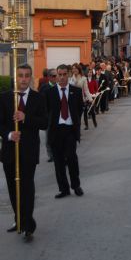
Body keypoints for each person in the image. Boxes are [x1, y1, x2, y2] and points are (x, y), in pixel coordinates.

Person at [0, 64, 48, 240]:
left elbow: (44, 123)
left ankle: (28, 224)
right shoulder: (4, 98)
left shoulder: (38, 98)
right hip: (9, 151)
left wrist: (26, 117)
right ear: (15, 77)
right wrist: (9, 134)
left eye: (27, 75)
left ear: (31, 77)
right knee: (13, 188)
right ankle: (18, 218)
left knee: (27, 187)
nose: (23, 79)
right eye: (20, 75)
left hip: (28, 151)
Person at [45, 64, 84, 199]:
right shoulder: (49, 93)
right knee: (58, 162)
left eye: (63, 74)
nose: (61, 77)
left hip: (70, 130)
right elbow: (46, 111)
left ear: (68, 74)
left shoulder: (76, 91)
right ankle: (64, 189)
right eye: (58, 75)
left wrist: (74, 124)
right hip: (56, 131)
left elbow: (80, 109)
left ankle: (76, 185)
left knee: (72, 158)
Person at [39, 68, 57, 161]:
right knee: (49, 137)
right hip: (48, 117)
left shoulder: (60, 87)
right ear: (49, 77)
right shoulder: (44, 88)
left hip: (59, 116)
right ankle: (51, 155)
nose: (56, 78)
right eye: (54, 76)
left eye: (56, 75)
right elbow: (40, 102)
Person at [70, 63, 93, 130]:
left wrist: (90, 99)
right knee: (74, 116)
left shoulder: (83, 78)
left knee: (79, 116)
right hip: (72, 99)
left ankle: (78, 130)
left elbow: (86, 90)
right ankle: (75, 129)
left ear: (79, 69)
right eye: (73, 68)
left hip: (80, 99)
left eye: (75, 68)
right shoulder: (70, 78)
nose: (74, 70)